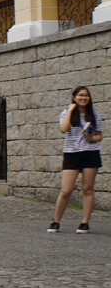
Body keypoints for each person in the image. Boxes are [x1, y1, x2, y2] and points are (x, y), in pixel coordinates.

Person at [50, 86, 102, 233]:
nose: (84, 98)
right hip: (71, 153)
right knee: (66, 190)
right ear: (74, 97)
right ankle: (56, 221)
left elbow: (99, 136)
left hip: (90, 153)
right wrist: (70, 110)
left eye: (86, 96)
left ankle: (84, 222)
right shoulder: (67, 113)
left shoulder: (94, 115)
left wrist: (90, 137)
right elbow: (63, 129)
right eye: (80, 95)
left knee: (87, 188)